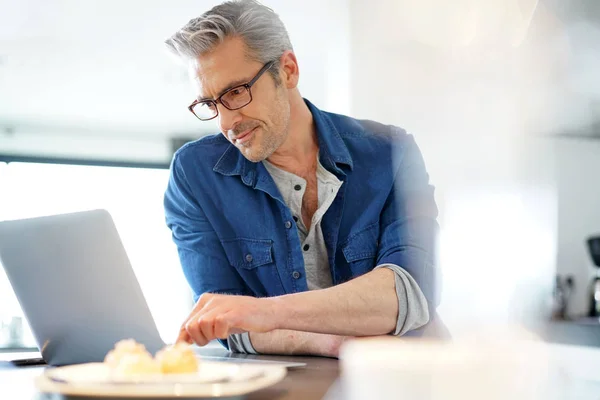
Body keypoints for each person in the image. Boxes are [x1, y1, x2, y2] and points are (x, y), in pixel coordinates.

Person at [163, 0, 440, 357]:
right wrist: (340, 344)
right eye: (211, 104)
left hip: (394, 381)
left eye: (236, 92)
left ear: (288, 70)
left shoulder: (391, 152)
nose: (226, 123)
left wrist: (264, 312)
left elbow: (410, 292)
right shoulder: (194, 175)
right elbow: (223, 319)